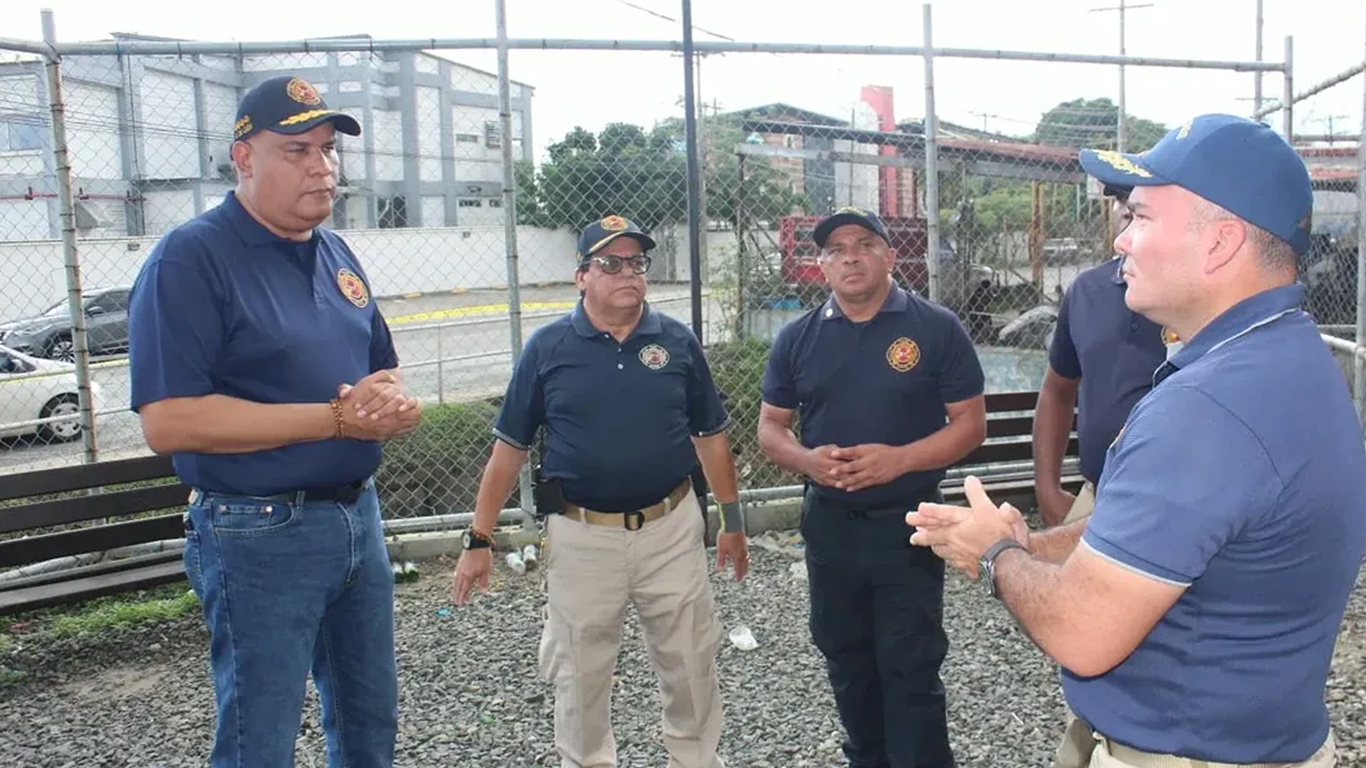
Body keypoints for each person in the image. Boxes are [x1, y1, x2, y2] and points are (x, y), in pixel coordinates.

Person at [907, 113, 1366, 768]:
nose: (1121, 241)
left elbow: (1083, 631)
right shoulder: (1285, 359)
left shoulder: (1209, 407)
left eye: (1142, 217)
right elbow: (1169, 541)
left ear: (1221, 242)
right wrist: (1034, 545)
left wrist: (997, 558)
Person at [127, 75, 420, 768]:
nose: (322, 166)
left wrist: (395, 406)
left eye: (328, 149)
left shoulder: (337, 252)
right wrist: (334, 423)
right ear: (244, 157)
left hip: (357, 519)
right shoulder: (191, 258)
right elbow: (169, 421)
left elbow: (382, 372)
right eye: (297, 150)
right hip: (255, 528)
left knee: (369, 720)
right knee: (259, 738)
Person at [451, 214, 750, 768]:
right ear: (581, 276)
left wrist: (732, 524)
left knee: (690, 664)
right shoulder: (547, 348)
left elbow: (710, 439)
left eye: (636, 262)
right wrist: (478, 538)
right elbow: (509, 449)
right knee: (581, 674)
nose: (628, 274)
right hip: (581, 537)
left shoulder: (677, 342)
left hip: (671, 527)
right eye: (610, 264)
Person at [757, 206, 988, 768]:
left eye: (863, 243)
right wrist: (809, 461)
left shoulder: (934, 328)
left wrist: (899, 461)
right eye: (835, 249)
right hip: (830, 527)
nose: (850, 256)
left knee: (910, 665)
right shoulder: (798, 338)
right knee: (846, 659)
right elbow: (771, 427)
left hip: (907, 525)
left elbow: (971, 425)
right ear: (821, 265)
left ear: (889, 254)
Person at [1032, 185, 1173, 527]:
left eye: (1140, 203)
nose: (1126, 210)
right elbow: (1057, 391)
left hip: (1174, 507)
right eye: (1120, 200)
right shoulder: (1086, 292)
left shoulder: (1195, 296)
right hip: (1098, 498)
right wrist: (1047, 488)